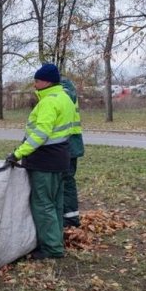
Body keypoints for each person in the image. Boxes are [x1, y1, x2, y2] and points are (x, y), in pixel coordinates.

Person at [6, 63, 76, 259]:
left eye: (36, 80)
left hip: (45, 160)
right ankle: (56, 241)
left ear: (46, 81)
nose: (34, 85)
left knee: (43, 204)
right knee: (55, 203)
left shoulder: (48, 102)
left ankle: (51, 248)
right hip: (61, 158)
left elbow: (40, 134)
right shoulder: (66, 98)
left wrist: (18, 153)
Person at [60, 78, 85, 227]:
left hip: (68, 145)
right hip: (71, 145)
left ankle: (70, 219)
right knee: (66, 182)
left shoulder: (64, 91)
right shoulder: (67, 89)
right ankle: (69, 217)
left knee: (66, 183)